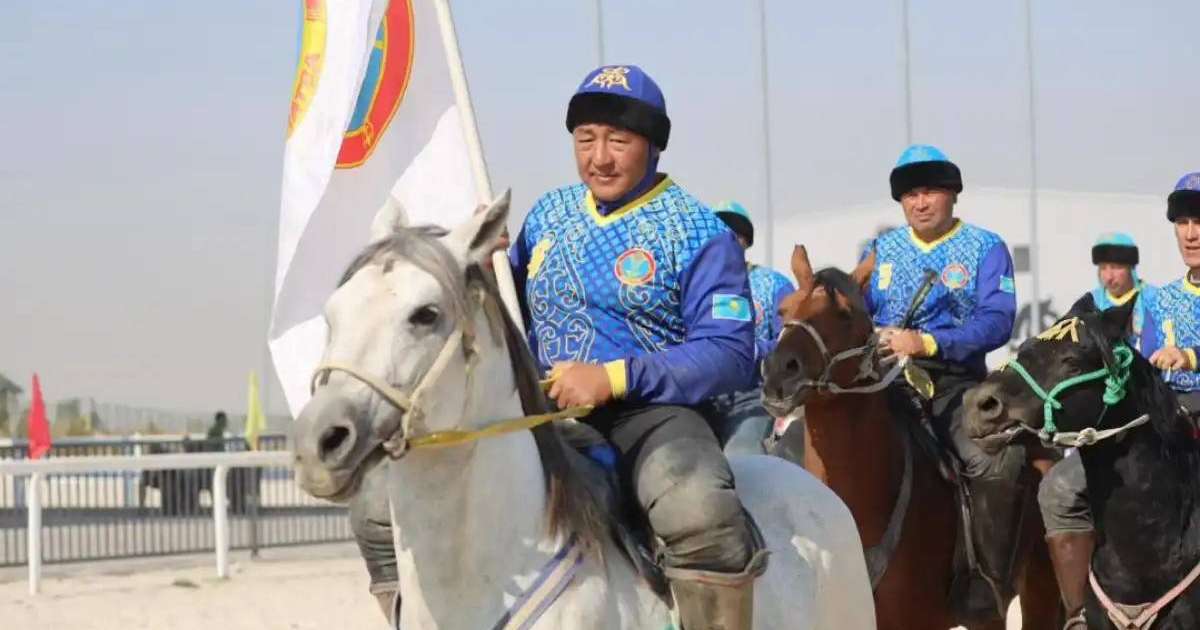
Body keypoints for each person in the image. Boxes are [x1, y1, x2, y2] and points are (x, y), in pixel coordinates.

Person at [503, 64, 765, 629]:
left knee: (699, 510)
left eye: (618, 141)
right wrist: (481, 267)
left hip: (652, 418)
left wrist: (612, 376)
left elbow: (730, 352)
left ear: (652, 146)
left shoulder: (700, 233)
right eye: (585, 139)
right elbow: (508, 306)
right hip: (544, 414)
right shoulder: (547, 214)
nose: (599, 157)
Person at [862, 144, 1021, 619]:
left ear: (952, 194)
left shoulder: (985, 247)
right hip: (884, 384)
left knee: (997, 464)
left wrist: (927, 343)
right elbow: (857, 312)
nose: (920, 202)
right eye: (910, 194)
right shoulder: (882, 250)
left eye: (930, 190)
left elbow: (998, 321)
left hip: (956, 385)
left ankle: (986, 584)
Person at [1038, 172, 1200, 627]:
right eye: (1183, 221)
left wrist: (1191, 356)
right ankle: (1079, 614)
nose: (1191, 232)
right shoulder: (1158, 299)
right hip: (1162, 428)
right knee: (1058, 489)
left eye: (1199, 221)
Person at [710, 200, 795, 456]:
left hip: (754, 395)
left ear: (746, 240)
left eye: (733, 236)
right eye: (716, 236)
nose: (724, 243)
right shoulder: (695, 287)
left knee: (741, 456)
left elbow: (790, 339)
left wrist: (753, 350)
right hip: (704, 396)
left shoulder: (773, 284)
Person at [1084, 232, 1154, 348]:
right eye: (1103, 268)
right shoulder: (1091, 304)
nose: (1109, 277)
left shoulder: (1154, 300)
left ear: (1131, 268)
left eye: (1116, 268)